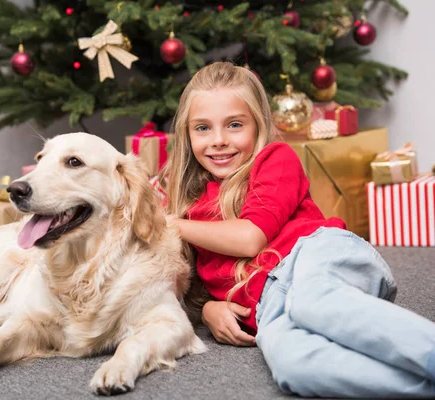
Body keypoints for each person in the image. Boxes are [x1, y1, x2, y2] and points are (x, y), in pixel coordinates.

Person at [161, 61, 435, 398]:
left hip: (316, 256)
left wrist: (172, 225)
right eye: (202, 128)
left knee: (313, 304)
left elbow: (250, 238)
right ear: (187, 135)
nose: (218, 140)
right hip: (269, 307)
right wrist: (206, 309)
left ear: (258, 124)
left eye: (234, 125)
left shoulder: (275, 160)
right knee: (294, 366)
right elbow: (189, 283)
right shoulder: (189, 203)